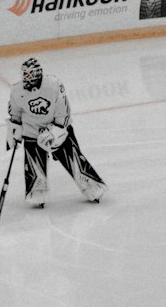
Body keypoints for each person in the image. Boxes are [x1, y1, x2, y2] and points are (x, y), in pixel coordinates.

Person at [7, 57, 106, 208]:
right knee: (35, 173)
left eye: (29, 74)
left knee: (74, 161)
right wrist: (14, 131)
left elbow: (63, 112)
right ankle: (37, 193)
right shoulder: (16, 91)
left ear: (38, 73)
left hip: (57, 129)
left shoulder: (53, 84)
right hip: (32, 133)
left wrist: (55, 131)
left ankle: (92, 187)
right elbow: (15, 114)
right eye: (24, 74)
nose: (26, 78)